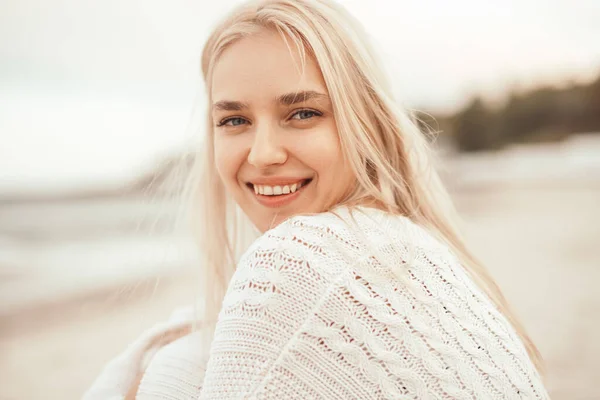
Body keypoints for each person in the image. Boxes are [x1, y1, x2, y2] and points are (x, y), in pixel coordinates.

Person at [85, 0, 549, 398]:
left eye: (302, 113)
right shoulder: (415, 254)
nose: (264, 154)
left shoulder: (298, 261)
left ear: (365, 123)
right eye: (234, 121)